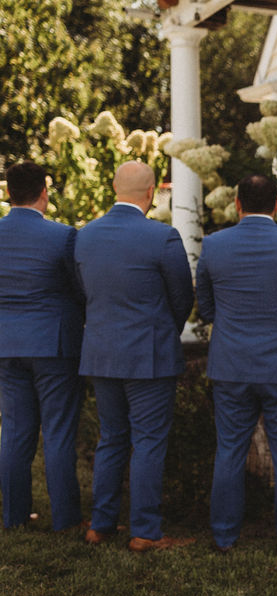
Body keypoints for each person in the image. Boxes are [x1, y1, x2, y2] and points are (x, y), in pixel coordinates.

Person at [195, 175, 277, 553]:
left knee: (230, 450)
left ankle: (224, 537)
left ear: (237, 203)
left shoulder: (215, 245)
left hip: (231, 364)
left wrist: (234, 328)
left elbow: (205, 307)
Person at [75, 161, 195, 552]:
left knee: (111, 439)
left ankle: (101, 524)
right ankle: (145, 530)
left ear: (113, 186)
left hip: (101, 352)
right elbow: (182, 297)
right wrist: (164, 330)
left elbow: (81, 293)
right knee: (147, 442)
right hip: (149, 354)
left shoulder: (84, 236)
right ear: (152, 192)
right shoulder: (162, 237)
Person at [0, 162, 85, 531]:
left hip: (6, 344)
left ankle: (14, 516)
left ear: (7, 193)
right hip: (53, 344)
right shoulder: (64, 236)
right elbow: (81, 289)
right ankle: (65, 518)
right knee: (58, 432)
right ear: (44, 193)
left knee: (15, 432)